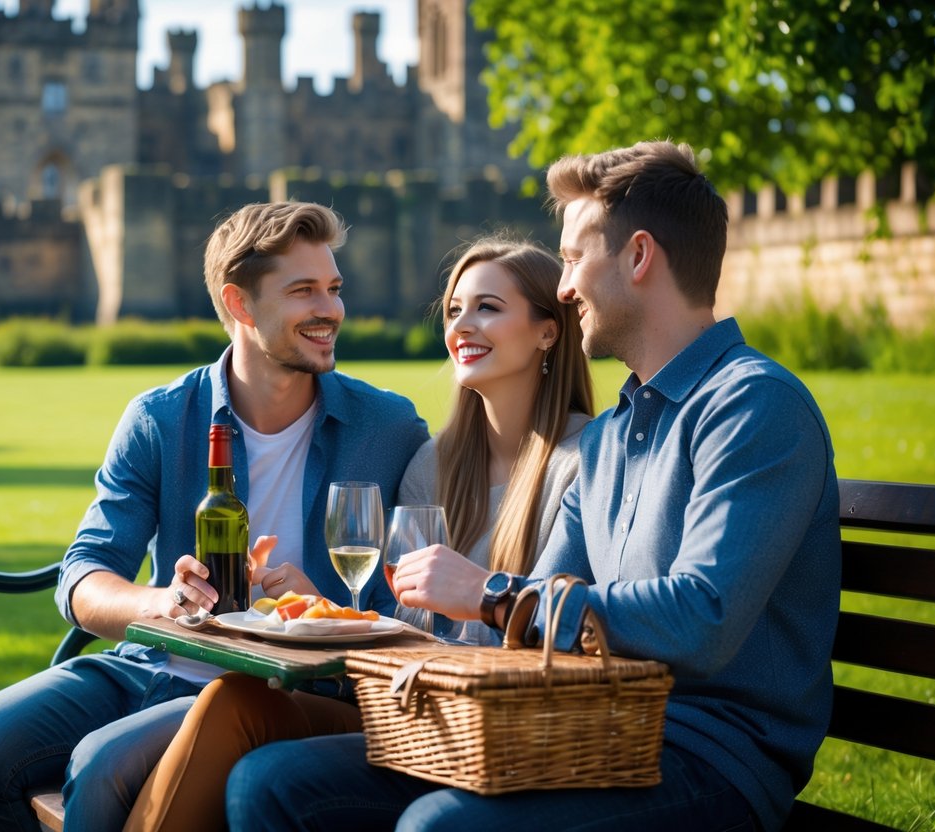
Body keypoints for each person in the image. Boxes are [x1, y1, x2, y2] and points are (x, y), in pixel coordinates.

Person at [224, 141, 841, 832]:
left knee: (440, 827)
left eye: (575, 258)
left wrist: (487, 591)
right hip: (576, 728)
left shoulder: (752, 406)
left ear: (638, 257)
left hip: (709, 756)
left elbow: (701, 621)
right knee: (271, 783)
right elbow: (528, 635)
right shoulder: (608, 439)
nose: (566, 284)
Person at [0, 201, 430, 831]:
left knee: (99, 766)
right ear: (240, 305)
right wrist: (161, 602)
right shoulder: (161, 419)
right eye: (304, 291)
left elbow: (416, 606)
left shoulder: (388, 427)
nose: (331, 309)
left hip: (283, 693)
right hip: (149, 669)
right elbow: (84, 575)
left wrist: (320, 609)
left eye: (333, 288)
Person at [122, 236, 596, 831]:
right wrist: (320, 608)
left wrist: (477, 596)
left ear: (548, 331)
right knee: (234, 701)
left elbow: (562, 631)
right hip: (416, 710)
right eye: (453, 310)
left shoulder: (585, 460)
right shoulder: (432, 464)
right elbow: (405, 625)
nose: (462, 326)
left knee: (253, 764)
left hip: (499, 728)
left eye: (488, 307)